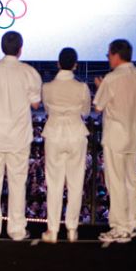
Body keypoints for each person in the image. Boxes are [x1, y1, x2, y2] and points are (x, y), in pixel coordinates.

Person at [0, 31, 42, 241]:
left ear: (2, 46)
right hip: (18, 137)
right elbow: (36, 103)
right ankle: (17, 230)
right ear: (20, 49)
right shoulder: (29, 72)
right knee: (18, 183)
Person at [93, 39, 136, 243]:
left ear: (116, 55)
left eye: (108, 55)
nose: (108, 58)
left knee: (116, 181)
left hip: (116, 136)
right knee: (132, 180)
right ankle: (132, 223)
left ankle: (119, 227)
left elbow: (98, 107)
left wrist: (101, 87)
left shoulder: (111, 79)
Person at [40, 47, 91, 243]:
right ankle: (72, 229)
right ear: (75, 65)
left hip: (54, 134)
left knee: (54, 184)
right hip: (76, 133)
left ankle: (52, 230)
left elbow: (46, 109)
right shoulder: (82, 87)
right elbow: (86, 112)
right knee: (75, 184)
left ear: (58, 64)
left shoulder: (47, 87)